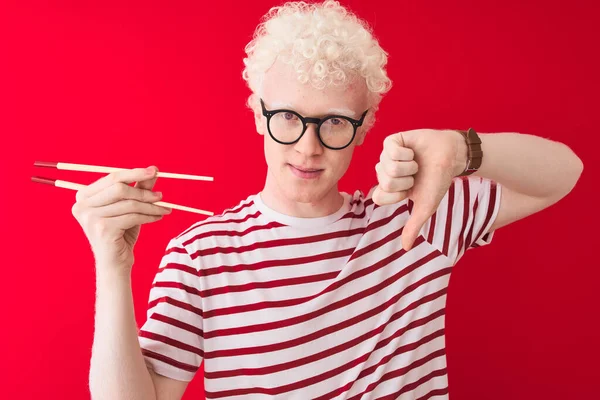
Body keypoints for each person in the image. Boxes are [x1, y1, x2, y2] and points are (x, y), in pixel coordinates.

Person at [73, 1, 583, 399]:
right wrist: (112, 267)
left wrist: (462, 148)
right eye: (288, 117)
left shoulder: (416, 216)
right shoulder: (201, 253)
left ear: (364, 128)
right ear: (257, 114)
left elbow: (564, 173)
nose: (308, 146)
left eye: (335, 121)